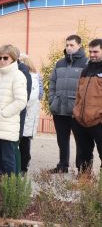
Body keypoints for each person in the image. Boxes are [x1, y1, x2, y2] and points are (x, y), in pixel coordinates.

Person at [0, 45, 27, 197]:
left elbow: (21, 101)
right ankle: (0, 188)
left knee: (9, 161)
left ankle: (12, 192)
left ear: (13, 58)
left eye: (5, 58)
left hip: (6, 125)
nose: (1, 61)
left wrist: (3, 113)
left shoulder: (18, 76)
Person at [48, 34, 88, 173]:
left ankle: (81, 170)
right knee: (62, 141)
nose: (69, 48)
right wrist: (52, 101)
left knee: (81, 142)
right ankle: (62, 165)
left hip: (76, 111)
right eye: (67, 45)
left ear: (79, 46)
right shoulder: (59, 63)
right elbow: (52, 83)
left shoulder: (86, 63)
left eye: (72, 45)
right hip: (59, 109)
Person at [72, 38, 102, 174]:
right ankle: (84, 181)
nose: (92, 54)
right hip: (81, 121)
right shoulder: (85, 70)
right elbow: (79, 94)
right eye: (90, 51)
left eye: (95, 51)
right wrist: (76, 112)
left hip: (99, 121)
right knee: (83, 153)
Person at [19, 54, 42, 174]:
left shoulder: (33, 78)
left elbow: (31, 98)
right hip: (21, 113)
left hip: (27, 114)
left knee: (24, 140)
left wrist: (18, 105)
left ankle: (24, 166)